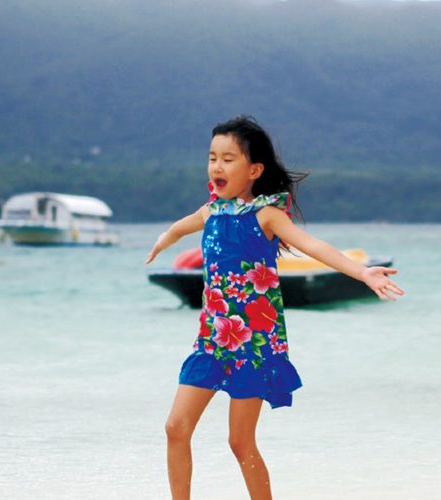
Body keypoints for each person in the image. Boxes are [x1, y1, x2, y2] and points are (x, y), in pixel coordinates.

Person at [146, 115, 404, 499]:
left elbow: (313, 246)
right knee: (175, 428)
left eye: (228, 158)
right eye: (212, 157)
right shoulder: (210, 212)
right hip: (213, 341)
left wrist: (363, 273)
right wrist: (162, 241)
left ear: (254, 170)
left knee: (239, 441)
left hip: (253, 344)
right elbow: (181, 226)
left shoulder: (266, 215)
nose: (217, 165)